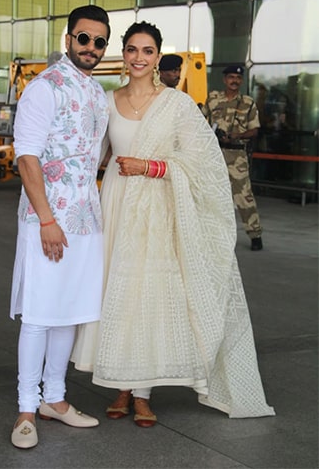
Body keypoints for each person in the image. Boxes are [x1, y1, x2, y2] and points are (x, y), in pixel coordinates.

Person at [72, 21, 275, 426]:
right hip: (115, 202)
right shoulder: (107, 101)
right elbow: (91, 155)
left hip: (158, 205)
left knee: (149, 292)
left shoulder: (177, 105)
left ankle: (143, 393)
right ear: (123, 53)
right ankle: (122, 385)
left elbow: (205, 163)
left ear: (157, 55)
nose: (138, 58)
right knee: (118, 290)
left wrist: (151, 166)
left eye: (147, 51)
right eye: (131, 50)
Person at [9, 4, 110, 449]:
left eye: (99, 41)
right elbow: (26, 156)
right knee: (38, 313)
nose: (91, 47)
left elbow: (94, 154)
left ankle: (56, 398)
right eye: (83, 38)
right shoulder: (43, 88)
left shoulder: (97, 91)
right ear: (68, 39)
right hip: (46, 219)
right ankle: (26, 409)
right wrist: (47, 220)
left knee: (68, 310)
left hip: (87, 219)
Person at [202, 65, 263, 251]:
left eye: (237, 77)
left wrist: (236, 136)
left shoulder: (248, 102)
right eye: (230, 77)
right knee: (209, 195)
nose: (234, 81)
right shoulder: (213, 99)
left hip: (236, 156)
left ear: (242, 80)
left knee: (244, 197)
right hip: (214, 155)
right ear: (224, 79)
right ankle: (210, 235)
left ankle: (255, 235)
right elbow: (200, 121)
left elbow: (254, 130)